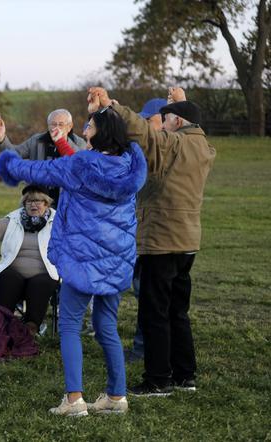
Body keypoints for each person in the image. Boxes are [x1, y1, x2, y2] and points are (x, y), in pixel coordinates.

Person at [0, 107, 147, 416]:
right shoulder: (130, 166)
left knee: (68, 326)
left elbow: (40, 171)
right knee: (107, 326)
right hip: (116, 260)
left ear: (98, 131)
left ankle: (74, 399)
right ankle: (117, 397)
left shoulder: (80, 164)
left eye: (89, 125)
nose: (85, 129)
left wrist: (10, 163)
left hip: (82, 260)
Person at [88, 86, 215, 396]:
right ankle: (185, 375)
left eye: (167, 117)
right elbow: (181, 125)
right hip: (187, 239)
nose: (163, 121)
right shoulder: (204, 148)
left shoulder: (174, 144)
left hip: (162, 238)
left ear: (178, 122)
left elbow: (143, 132)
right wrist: (180, 104)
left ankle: (158, 379)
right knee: (176, 310)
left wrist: (111, 106)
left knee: (154, 311)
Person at [0, 184, 59, 335]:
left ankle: (31, 327)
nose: (33, 204)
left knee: (40, 283)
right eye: (28, 201)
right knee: (8, 278)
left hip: (45, 272)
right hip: (14, 270)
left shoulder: (58, 222)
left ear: (46, 203)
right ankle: (1, 323)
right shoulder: (14, 219)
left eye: (38, 201)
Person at [126, 97, 167, 363]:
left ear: (165, 120)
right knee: (145, 291)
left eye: (148, 120)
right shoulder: (145, 147)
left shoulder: (165, 150)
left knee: (149, 293)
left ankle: (144, 348)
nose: (144, 125)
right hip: (141, 229)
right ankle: (148, 346)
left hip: (157, 234)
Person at [0, 108, 87, 206]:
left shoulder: (79, 143)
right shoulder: (37, 140)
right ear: (48, 126)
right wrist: (1, 138)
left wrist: (61, 142)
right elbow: (15, 155)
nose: (57, 128)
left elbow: (79, 164)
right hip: (38, 199)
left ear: (69, 126)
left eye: (61, 124)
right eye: (53, 124)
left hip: (66, 201)